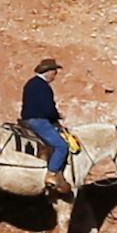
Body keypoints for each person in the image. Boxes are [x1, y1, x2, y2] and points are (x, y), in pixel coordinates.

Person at [20, 57, 72, 196]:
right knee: (62, 146)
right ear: (48, 72)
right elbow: (47, 108)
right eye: (54, 73)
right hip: (38, 120)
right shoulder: (43, 86)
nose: (55, 76)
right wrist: (57, 116)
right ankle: (52, 173)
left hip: (28, 119)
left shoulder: (31, 83)